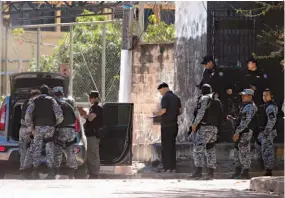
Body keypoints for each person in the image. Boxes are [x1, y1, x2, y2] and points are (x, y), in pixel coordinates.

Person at [25, 84, 63, 179]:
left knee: (36, 148)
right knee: (49, 147)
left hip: (38, 127)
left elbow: (27, 115)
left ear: (40, 92)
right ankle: (51, 172)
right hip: (50, 127)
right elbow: (59, 115)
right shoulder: (52, 100)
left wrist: (31, 127)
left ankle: (35, 171)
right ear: (48, 92)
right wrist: (55, 124)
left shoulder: (34, 101)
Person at [190, 84, 223, 179]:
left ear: (202, 90)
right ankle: (211, 173)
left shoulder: (204, 98)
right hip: (214, 128)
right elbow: (221, 115)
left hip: (204, 127)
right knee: (210, 149)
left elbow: (201, 112)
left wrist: (195, 124)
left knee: (198, 149)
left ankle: (198, 171)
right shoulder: (217, 100)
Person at [228, 89, 258, 179]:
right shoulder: (245, 106)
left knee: (244, 152)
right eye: (242, 95)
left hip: (244, 132)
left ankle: (245, 172)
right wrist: (233, 119)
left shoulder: (249, 107)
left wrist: (237, 132)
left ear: (250, 96)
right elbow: (241, 120)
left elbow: (245, 122)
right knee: (237, 151)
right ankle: (237, 172)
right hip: (241, 131)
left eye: (245, 95)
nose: (243, 97)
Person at [153, 83, 182, 173]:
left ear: (164, 89)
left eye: (160, 91)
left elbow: (164, 110)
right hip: (174, 125)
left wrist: (155, 114)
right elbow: (180, 111)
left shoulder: (165, 97)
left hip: (166, 126)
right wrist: (173, 115)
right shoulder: (177, 98)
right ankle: (173, 168)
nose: (160, 93)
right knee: (172, 146)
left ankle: (166, 168)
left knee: (165, 147)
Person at [52, 86, 78, 179]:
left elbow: (57, 118)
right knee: (70, 151)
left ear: (54, 94)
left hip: (61, 130)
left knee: (58, 151)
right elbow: (76, 117)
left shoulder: (56, 103)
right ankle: (72, 174)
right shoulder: (70, 103)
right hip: (71, 130)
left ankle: (55, 173)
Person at [79, 91, 103, 179]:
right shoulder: (94, 107)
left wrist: (84, 113)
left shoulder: (95, 108)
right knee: (91, 153)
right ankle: (92, 172)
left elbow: (91, 118)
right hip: (91, 134)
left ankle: (95, 173)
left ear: (95, 98)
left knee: (94, 153)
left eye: (91, 97)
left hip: (94, 134)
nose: (89, 99)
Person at [255, 89, 278, 176]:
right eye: (263, 95)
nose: (264, 97)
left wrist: (266, 132)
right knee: (258, 146)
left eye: (266, 95)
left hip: (268, 132)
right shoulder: (266, 106)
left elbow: (272, 120)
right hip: (263, 131)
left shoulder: (271, 107)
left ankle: (269, 170)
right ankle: (264, 167)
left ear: (271, 96)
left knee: (267, 150)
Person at [19, 90, 40, 177]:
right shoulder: (33, 104)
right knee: (31, 148)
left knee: (23, 149)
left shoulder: (24, 103)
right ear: (35, 96)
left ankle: (22, 167)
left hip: (22, 129)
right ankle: (27, 168)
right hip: (29, 129)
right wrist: (32, 129)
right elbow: (29, 118)